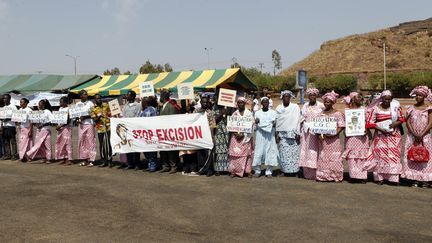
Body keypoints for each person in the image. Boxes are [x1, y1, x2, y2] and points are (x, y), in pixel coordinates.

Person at [366, 90, 405, 185]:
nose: (387, 101)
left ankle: (393, 178)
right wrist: (380, 129)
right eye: (385, 99)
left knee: (394, 156)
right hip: (380, 136)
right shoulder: (375, 109)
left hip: (394, 135)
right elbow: (369, 122)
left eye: (389, 99)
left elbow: (402, 118)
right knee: (380, 157)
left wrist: (395, 123)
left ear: (391, 99)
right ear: (381, 99)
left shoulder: (395, 108)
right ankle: (379, 178)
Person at [402, 86, 432, 187]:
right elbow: (408, 122)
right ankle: (413, 179)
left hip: (425, 137)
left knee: (425, 156)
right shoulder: (411, 108)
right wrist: (414, 134)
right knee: (412, 156)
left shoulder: (429, 108)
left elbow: (430, 123)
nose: (418, 97)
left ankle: (425, 180)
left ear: (424, 97)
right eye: (417, 95)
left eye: (420, 95)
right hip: (412, 136)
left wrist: (422, 134)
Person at [316, 91, 345, 182]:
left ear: (333, 102)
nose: (326, 103)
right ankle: (323, 176)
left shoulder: (337, 114)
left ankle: (336, 176)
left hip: (334, 141)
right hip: (323, 140)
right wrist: (319, 134)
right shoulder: (320, 114)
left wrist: (334, 133)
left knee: (335, 158)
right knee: (323, 157)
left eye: (328, 101)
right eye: (325, 101)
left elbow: (341, 126)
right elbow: (317, 126)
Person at [342, 92, 370, 183]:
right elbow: (344, 123)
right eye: (358, 97)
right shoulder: (346, 111)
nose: (361, 99)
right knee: (352, 157)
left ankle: (362, 176)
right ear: (352, 99)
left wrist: (366, 128)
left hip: (362, 137)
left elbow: (368, 122)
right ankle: (353, 176)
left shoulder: (365, 110)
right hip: (351, 136)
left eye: (361, 97)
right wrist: (345, 131)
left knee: (362, 156)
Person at [299, 88, 324, 180]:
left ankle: (317, 172)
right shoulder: (305, 105)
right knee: (306, 151)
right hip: (306, 133)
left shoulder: (321, 105)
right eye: (310, 95)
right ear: (308, 96)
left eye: (314, 95)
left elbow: (324, 118)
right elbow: (302, 117)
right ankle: (307, 173)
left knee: (315, 151)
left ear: (316, 96)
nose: (312, 96)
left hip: (317, 133)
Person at [275, 90, 301, 176]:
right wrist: (276, 134)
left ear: (290, 98)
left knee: (294, 153)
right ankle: (284, 170)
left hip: (293, 133)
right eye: (285, 96)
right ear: (282, 97)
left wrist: (298, 133)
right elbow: (277, 121)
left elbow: (298, 120)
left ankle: (295, 171)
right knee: (283, 153)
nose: (286, 98)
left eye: (288, 96)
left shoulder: (295, 107)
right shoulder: (278, 108)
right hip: (282, 133)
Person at [228, 97, 254, 178]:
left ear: (244, 104)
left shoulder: (249, 114)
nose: (240, 104)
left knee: (247, 155)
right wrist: (236, 133)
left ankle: (248, 171)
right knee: (234, 155)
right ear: (237, 104)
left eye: (242, 102)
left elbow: (252, 125)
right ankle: (233, 171)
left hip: (246, 137)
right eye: (239, 103)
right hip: (235, 137)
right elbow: (231, 126)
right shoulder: (234, 114)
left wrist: (243, 134)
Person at [253, 97, 278, 177]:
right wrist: (255, 122)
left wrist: (274, 124)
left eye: (267, 102)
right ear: (261, 104)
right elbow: (254, 125)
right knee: (259, 151)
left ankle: (269, 171)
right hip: (260, 134)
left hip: (270, 135)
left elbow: (275, 123)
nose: (265, 104)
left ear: (269, 103)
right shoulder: (257, 113)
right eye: (264, 102)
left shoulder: (273, 113)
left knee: (270, 151)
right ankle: (257, 170)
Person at [193, 96, 217, 176]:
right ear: (200, 103)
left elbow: (213, 125)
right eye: (203, 102)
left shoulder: (210, 112)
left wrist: (212, 136)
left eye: (206, 102)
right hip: (199, 136)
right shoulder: (196, 111)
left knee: (208, 154)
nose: (205, 103)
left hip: (208, 136)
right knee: (200, 153)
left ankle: (209, 170)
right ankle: (201, 169)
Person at [159, 90, 180, 173]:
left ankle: (173, 166)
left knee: (171, 150)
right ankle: (165, 165)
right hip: (162, 131)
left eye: (160, 96)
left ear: (163, 97)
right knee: (163, 150)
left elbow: (171, 119)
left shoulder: (170, 106)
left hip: (168, 131)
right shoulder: (162, 106)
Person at [26, 99, 52, 164]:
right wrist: (35, 124)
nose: (39, 105)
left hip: (46, 129)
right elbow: (33, 120)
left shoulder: (47, 111)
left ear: (43, 105)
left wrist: (42, 125)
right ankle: (43, 157)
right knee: (41, 145)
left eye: (40, 104)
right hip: (39, 130)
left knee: (47, 144)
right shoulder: (38, 112)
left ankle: (48, 158)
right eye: (38, 104)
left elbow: (51, 121)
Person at [91, 94, 113, 167]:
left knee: (109, 144)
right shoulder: (93, 108)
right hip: (100, 128)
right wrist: (99, 116)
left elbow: (110, 114)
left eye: (99, 98)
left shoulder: (106, 105)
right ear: (95, 100)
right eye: (97, 99)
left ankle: (110, 160)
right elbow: (94, 120)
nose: (98, 100)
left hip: (107, 127)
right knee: (102, 145)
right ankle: (104, 160)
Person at [76, 90, 97, 167]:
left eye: (86, 94)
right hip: (81, 125)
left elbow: (93, 114)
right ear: (80, 96)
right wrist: (77, 119)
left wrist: (84, 117)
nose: (86, 96)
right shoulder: (77, 104)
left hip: (89, 124)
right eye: (84, 94)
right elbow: (76, 114)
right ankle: (85, 159)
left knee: (90, 142)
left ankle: (91, 160)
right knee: (82, 141)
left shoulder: (90, 103)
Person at [122, 90, 141, 170]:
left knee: (135, 147)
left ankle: (136, 163)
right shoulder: (125, 106)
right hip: (126, 130)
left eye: (128, 95)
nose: (127, 96)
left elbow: (138, 116)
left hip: (134, 129)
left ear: (132, 96)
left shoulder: (138, 105)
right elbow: (123, 116)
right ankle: (130, 163)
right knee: (128, 146)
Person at [139, 96, 158, 172]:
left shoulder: (153, 110)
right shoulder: (144, 110)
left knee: (151, 151)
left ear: (146, 102)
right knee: (146, 150)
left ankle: (153, 166)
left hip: (151, 134)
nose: (141, 103)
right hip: (144, 134)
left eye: (143, 102)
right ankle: (150, 164)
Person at [213, 96, 231, 175]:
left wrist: (226, 114)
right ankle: (218, 169)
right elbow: (214, 121)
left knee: (226, 150)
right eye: (216, 99)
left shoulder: (226, 108)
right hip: (218, 132)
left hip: (226, 132)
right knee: (218, 151)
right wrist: (221, 113)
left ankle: (226, 168)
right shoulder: (213, 109)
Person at [55, 96, 73, 165]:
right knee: (61, 143)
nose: (60, 103)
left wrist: (61, 126)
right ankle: (63, 158)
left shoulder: (69, 109)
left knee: (67, 143)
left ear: (65, 102)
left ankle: (69, 159)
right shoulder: (60, 109)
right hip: (60, 128)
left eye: (61, 102)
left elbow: (68, 120)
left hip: (66, 128)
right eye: (60, 102)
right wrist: (57, 125)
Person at [1, 94, 18, 160]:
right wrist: (1, 125)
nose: (4, 100)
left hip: (11, 126)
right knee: (5, 141)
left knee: (12, 141)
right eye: (4, 98)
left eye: (6, 98)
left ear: (9, 99)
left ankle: (14, 155)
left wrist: (8, 119)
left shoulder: (13, 107)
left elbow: (17, 116)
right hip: (4, 127)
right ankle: (8, 154)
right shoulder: (3, 108)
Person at [17, 98, 33, 162]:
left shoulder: (29, 110)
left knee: (29, 143)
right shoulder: (20, 110)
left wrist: (31, 130)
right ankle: (22, 156)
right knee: (22, 143)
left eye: (22, 102)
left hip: (28, 128)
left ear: (26, 103)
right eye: (20, 102)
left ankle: (29, 156)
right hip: (21, 128)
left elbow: (31, 120)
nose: (20, 103)